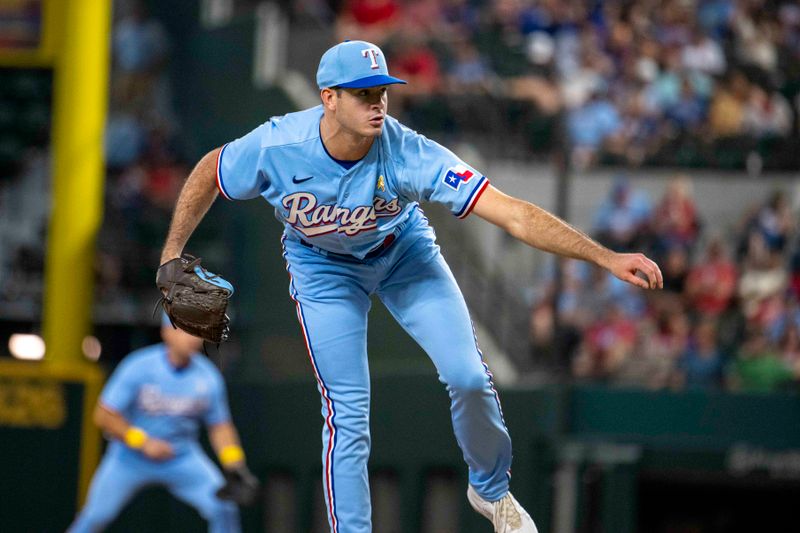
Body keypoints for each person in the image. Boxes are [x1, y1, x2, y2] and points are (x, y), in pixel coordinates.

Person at [158, 40, 662, 533]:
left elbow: (513, 214)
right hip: (322, 268)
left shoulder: (408, 151)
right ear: (328, 97)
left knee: (468, 376)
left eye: (382, 91)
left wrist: (604, 255)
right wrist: (172, 251)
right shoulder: (278, 145)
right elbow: (210, 170)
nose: (377, 103)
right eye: (362, 93)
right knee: (347, 415)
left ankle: (490, 490)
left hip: (404, 255)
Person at [68, 315, 256, 533]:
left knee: (223, 506)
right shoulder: (139, 366)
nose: (192, 337)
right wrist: (142, 442)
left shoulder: (208, 376)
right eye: (184, 330)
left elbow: (220, 426)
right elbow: (104, 415)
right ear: (166, 333)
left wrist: (234, 463)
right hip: (129, 457)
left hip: (181, 456)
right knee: (95, 516)